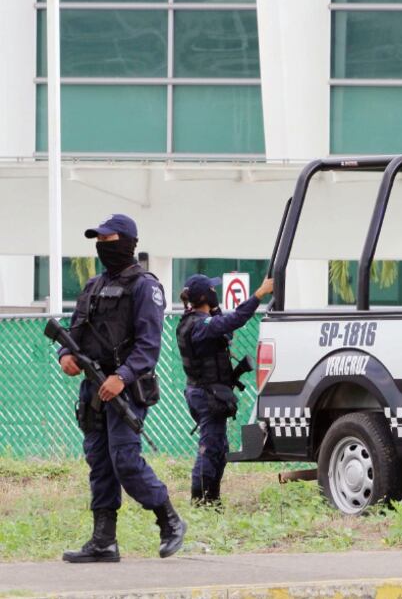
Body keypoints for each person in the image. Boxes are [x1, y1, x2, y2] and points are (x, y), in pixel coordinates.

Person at [58, 214, 185, 563]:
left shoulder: (145, 286)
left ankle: (170, 520)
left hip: (125, 389)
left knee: (125, 461)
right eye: (98, 241)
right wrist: (65, 355)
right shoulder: (93, 285)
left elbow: (148, 346)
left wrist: (122, 376)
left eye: (108, 240)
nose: (102, 246)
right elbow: (74, 331)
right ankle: (104, 542)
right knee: (99, 462)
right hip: (94, 389)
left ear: (127, 242)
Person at [177, 274, 274, 506]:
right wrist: (259, 294)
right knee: (210, 449)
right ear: (205, 296)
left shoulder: (194, 321)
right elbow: (234, 321)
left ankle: (212, 499)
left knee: (219, 449)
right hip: (207, 396)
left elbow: (225, 333)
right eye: (212, 290)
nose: (216, 293)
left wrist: (215, 309)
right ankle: (199, 502)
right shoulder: (199, 325)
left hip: (205, 393)